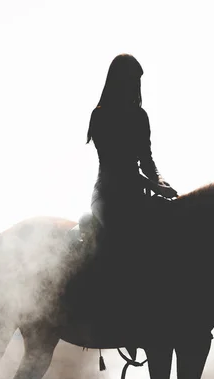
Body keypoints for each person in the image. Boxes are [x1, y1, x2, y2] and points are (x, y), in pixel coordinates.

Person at [86, 53, 177, 245]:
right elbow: (116, 168)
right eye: (133, 80)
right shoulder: (100, 116)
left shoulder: (140, 116)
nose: (136, 86)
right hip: (108, 197)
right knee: (122, 239)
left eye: (138, 81)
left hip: (136, 196)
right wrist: (155, 187)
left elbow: (147, 161)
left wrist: (162, 182)